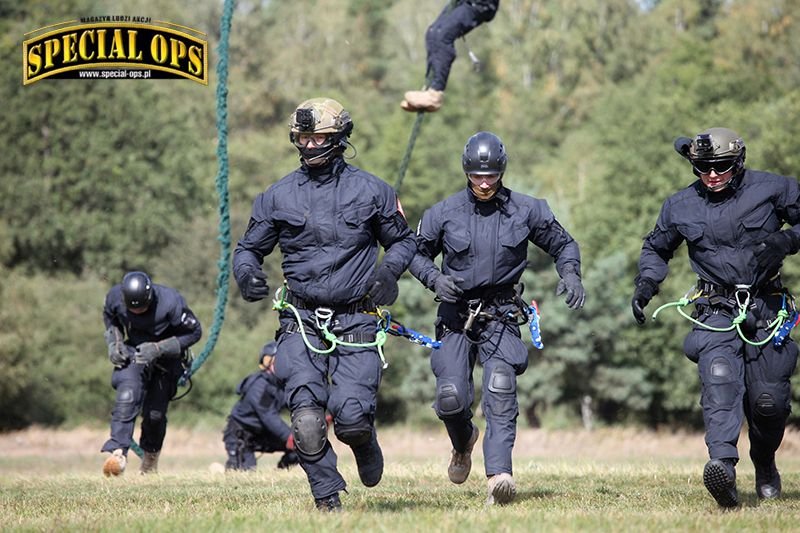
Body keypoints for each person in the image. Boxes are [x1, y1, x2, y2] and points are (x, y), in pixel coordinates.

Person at [232, 97, 417, 511]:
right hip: (300, 321)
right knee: (308, 422)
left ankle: (363, 441)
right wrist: (245, 274)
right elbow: (247, 250)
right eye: (304, 138)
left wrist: (389, 275)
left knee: (350, 418)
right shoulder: (277, 196)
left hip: (357, 320)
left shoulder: (372, 190)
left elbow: (404, 242)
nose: (311, 145)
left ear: (339, 139)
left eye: (320, 138)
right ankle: (327, 501)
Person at [409, 131, 586, 505]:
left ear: (501, 171)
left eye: (490, 175)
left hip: (502, 314)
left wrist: (570, 273)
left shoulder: (528, 210)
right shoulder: (443, 213)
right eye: (477, 176)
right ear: (466, 172)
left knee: (501, 389)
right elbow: (413, 254)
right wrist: (434, 279)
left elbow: (564, 244)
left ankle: (499, 476)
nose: (484, 183)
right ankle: (463, 443)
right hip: (456, 316)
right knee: (451, 398)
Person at [632, 127, 800, 508]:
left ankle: (765, 462)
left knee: (768, 403)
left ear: (738, 162)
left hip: (767, 307)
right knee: (719, 383)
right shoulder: (680, 206)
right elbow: (656, 249)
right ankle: (722, 468)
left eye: (721, 167)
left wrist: (787, 240)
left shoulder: (773, 189)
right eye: (703, 168)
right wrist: (646, 283)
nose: (712, 175)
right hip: (715, 311)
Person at [101, 270, 202, 476]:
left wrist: (158, 349)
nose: (137, 313)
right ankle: (117, 453)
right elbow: (110, 318)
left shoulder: (171, 302)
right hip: (134, 352)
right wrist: (114, 342)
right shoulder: (115, 297)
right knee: (127, 396)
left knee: (155, 414)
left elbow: (194, 332)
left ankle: (149, 462)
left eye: (143, 309)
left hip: (166, 359)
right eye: (132, 309)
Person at [401, 0, 500, 113]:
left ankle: (435, 92)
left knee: (442, 35)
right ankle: (429, 88)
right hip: (462, 2)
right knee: (432, 32)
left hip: (480, 4)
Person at [222, 341, 300, 471]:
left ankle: (282, 472)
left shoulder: (282, 385)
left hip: (262, 434)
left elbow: (296, 404)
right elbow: (269, 417)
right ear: (267, 362)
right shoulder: (260, 386)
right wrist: (291, 437)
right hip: (240, 435)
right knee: (245, 471)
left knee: (303, 447)